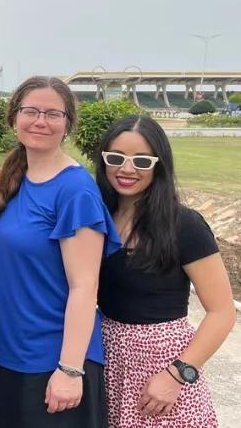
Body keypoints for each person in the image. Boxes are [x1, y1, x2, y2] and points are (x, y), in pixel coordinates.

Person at [0, 76, 121, 428]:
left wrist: (70, 370)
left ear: (68, 124)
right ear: (14, 118)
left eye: (53, 114)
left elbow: (85, 287)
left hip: (48, 363)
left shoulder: (75, 191)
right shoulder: (11, 176)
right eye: (31, 111)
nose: (40, 121)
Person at [95, 115, 235, 427]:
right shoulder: (98, 219)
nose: (127, 169)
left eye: (142, 160)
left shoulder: (184, 224)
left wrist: (178, 374)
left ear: (159, 165)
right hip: (110, 359)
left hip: (165, 364)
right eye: (116, 158)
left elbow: (223, 312)